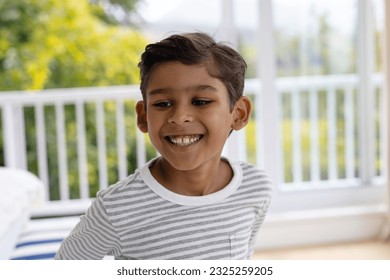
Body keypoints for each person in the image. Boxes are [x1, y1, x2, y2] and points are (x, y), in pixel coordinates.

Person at [55, 32, 272, 260]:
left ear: (239, 114)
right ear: (143, 116)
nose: (179, 117)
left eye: (201, 102)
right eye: (163, 103)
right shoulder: (116, 208)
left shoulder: (255, 187)